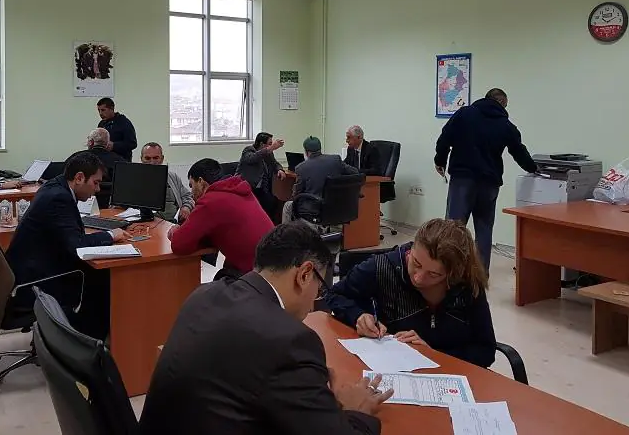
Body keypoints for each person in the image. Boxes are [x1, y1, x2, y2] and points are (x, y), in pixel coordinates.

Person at [141, 223, 392, 435]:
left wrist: (306, 385)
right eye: (319, 288)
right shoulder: (291, 340)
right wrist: (354, 411)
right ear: (305, 274)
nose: (314, 301)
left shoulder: (205, 293)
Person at [325, 218, 496, 368]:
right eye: (416, 263)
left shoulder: (467, 285)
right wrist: (358, 316)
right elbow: (334, 295)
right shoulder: (383, 268)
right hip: (395, 371)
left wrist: (434, 355)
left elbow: (486, 351)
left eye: (433, 274)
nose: (418, 278)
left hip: (452, 377)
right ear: (411, 249)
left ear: (452, 275)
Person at [5, 151, 128, 340]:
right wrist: (111, 234)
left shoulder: (54, 186)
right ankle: (88, 342)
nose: (97, 189)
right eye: (95, 182)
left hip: (28, 269)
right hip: (36, 282)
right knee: (103, 276)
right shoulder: (59, 198)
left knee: (97, 272)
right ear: (79, 178)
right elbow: (76, 245)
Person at [434, 88, 537, 272]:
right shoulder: (505, 125)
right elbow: (519, 151)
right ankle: (481, 276)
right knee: (484, 229)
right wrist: (534, 168)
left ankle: (450, 271)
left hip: (463, 179)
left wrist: (439, 161)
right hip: (489, 182)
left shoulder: (464, 114)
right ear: (502, 103)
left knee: (453, 228)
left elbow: (444, 139)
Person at [168, 158, 273, 280]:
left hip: (256, 275)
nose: (192, 192)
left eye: (192, 185)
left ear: (201, 182)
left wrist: (175, 231)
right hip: (274, 266)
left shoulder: (211, 201)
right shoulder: (239, 190)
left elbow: (179, 245)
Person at [282, 136, 358, 224]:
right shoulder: (335, 160)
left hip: (314, 207)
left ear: (306, 152)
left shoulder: (301, 168)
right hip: (336, 206)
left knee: (287, 206)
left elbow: (297, 193)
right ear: (320, 148)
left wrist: (293, 193)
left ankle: (286, 231)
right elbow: (355, 172)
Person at [68, 128, 124, 208]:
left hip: (78, 204)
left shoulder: (76, 158)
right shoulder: (120, 161)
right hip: (110, 205)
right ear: (107, 144)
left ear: (91, 142)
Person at [140, 142, 194, 222]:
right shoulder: (135, 180)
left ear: (162, 159)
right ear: (141, 159)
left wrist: (186, 207)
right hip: (149, 223)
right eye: (147, 158)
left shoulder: (172, 177)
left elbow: (188, 196)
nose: (152, 162)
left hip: (175, 222)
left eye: (156, 158)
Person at [237, 131, 286, 220]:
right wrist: (271, 148)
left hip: (263, 188)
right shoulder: (248, 150)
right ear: (261, 144)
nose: (271, 146)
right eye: (269, 143)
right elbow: (253, 158)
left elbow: (275, 163)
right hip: (248, 187)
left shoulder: (268, 152)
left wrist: (280, 169)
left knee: (274, 202)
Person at [96, 97, 137, 161]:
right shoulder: (101, 124)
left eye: (103, 110)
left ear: (111, 109)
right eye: (99, 110)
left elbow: (132, 143)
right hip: (105, 161)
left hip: (122, 162)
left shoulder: (124, 122)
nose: (100, 113)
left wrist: (114, 145)